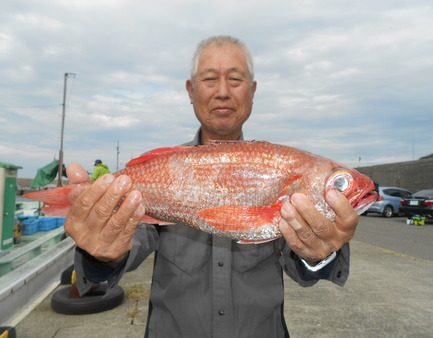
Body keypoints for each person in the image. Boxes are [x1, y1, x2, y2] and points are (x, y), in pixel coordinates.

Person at [65, 36, 358, 337]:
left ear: (253, 91)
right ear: (190, 91)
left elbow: (306, 272)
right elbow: (127, 248)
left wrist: (321, 254)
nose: (222, 92)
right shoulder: (162, 171)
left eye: (235, 79)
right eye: (209, 79)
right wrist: (100, 256)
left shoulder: (280, 170)